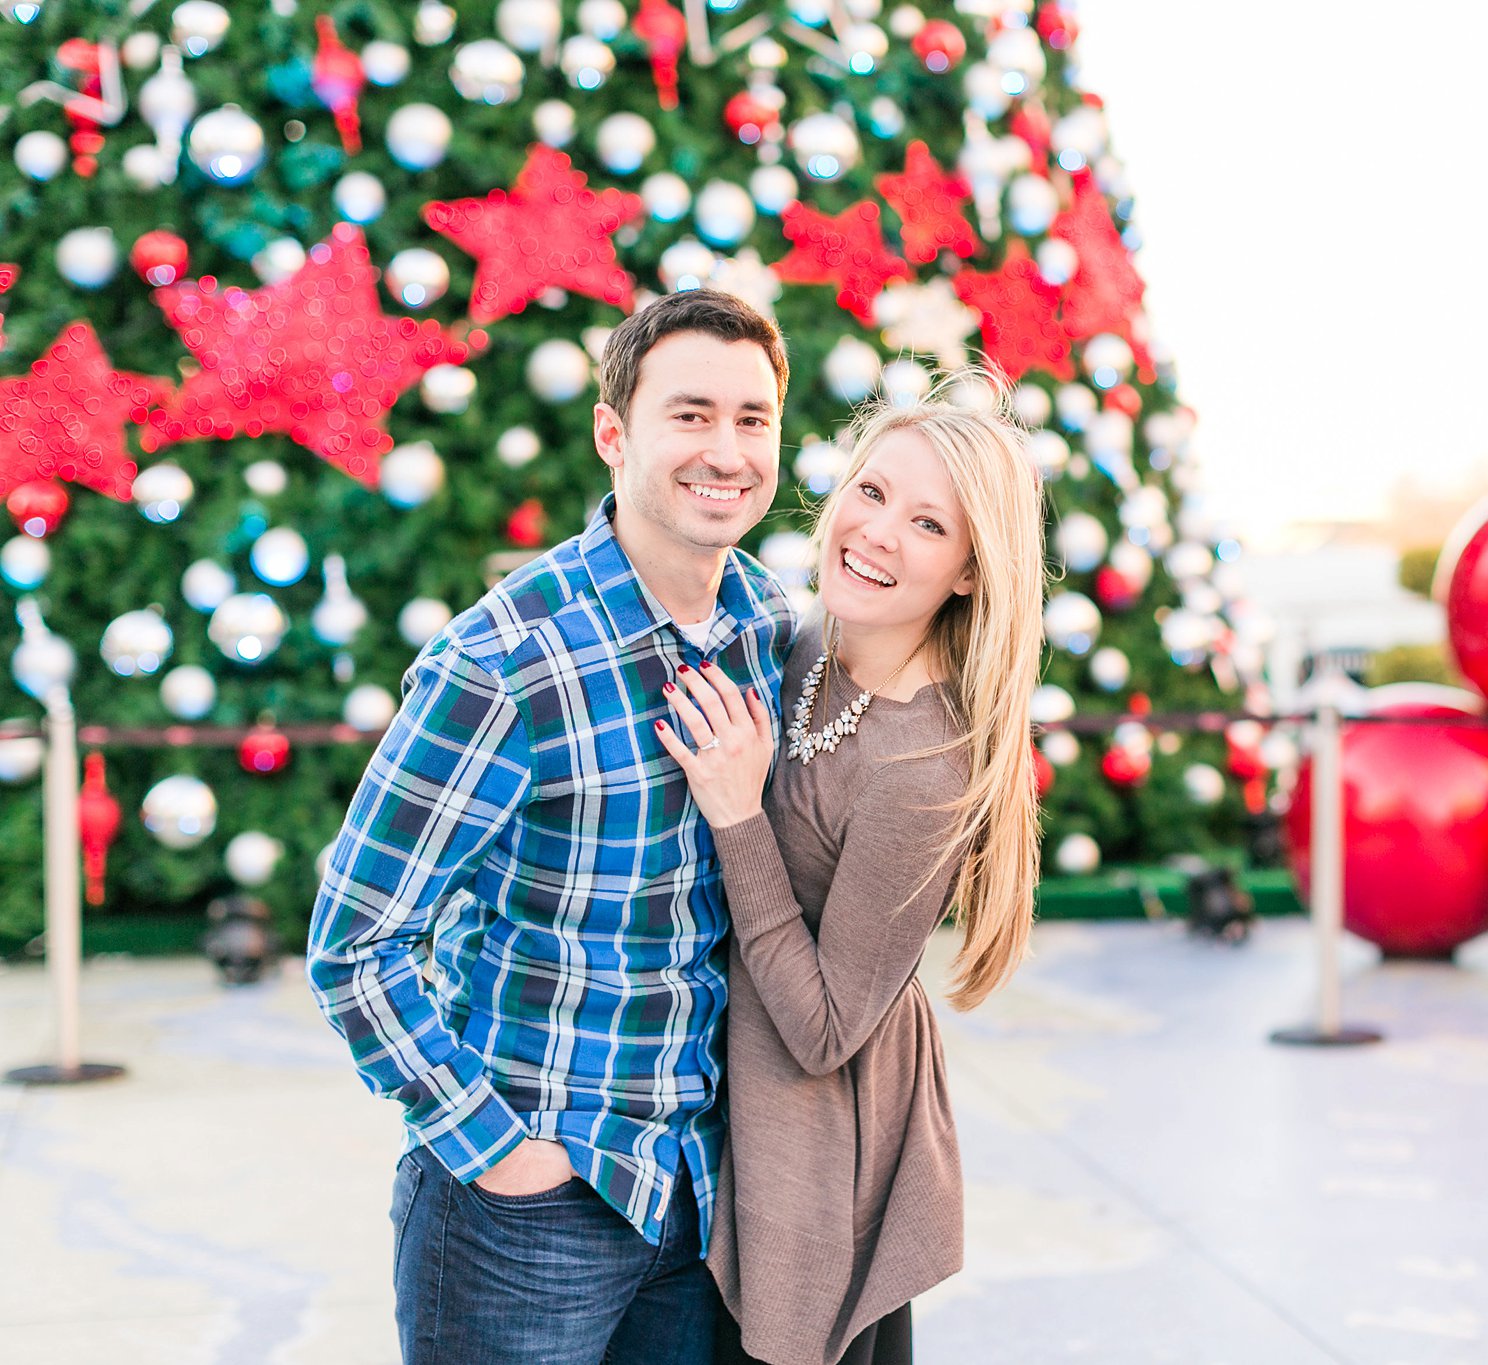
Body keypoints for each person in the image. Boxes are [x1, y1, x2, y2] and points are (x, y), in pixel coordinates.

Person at [306, 288, 795, 1365]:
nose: (726, 449)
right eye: (691, 414)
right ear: (613, 433)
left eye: (751, 419)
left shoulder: (766, 627)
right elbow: (354, 942)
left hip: (694, 1195)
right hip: (527, 1208)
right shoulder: (504, 661)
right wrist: (496, 1152)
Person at [650, 387, 1047, 1365]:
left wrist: (738, 815)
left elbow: (826, 1030)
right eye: (870, 492)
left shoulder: (924, 767)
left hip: (815, 1137)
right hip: (713, 1091)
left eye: (925, 524)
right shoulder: (799, 644)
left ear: (966, 572)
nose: (875, 533)